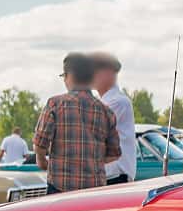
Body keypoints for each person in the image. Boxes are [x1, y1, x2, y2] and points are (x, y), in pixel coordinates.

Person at [33, 52, 120, 194]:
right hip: (95, 192)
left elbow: (40, 143)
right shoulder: (106, 111)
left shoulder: (55, 104)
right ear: (91, 77)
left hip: (60, 188)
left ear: (69, 76)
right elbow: (113, 154)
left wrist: (41, 160)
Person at [90, 51, 137, 184]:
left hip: (115, 177)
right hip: (107, 177)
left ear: (109, 72)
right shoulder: (103, 102)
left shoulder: (118, 101)